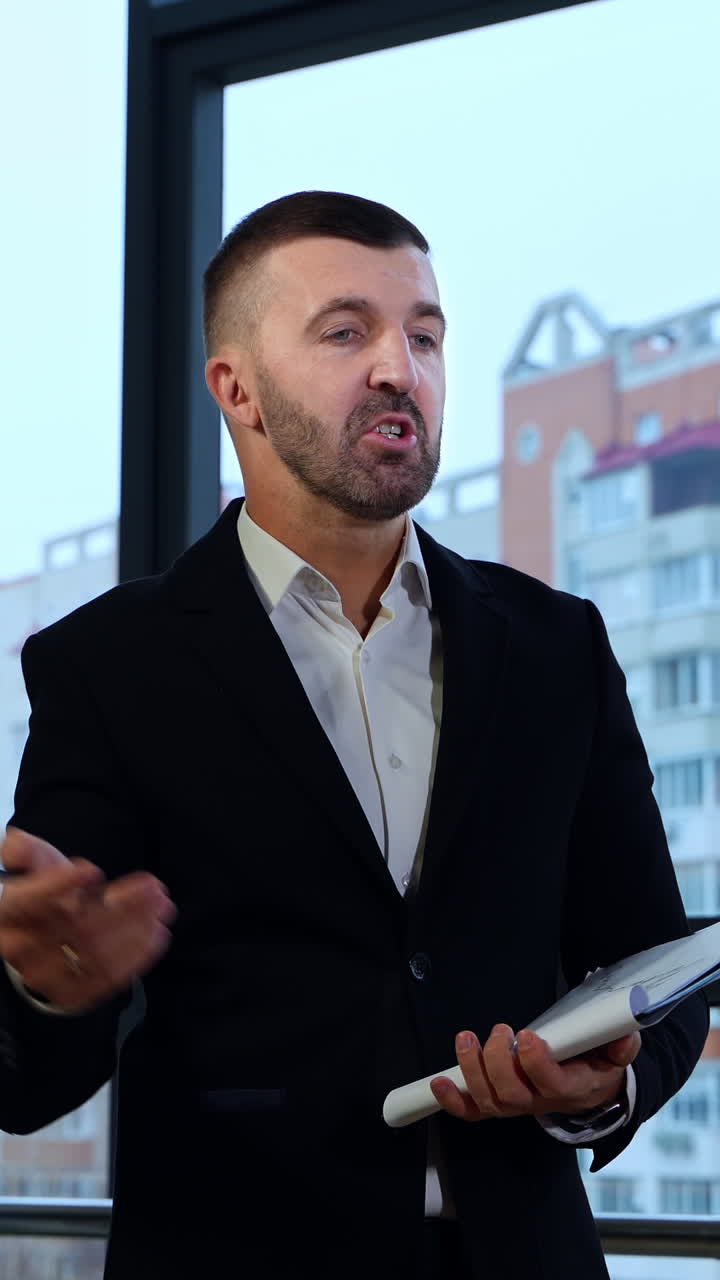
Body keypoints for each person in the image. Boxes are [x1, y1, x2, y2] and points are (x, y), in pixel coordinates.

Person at [0, 191, 707, 1280]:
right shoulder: (106, 665)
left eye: (424, 334)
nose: (399, 367)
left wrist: (602, 1086)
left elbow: (655, 960)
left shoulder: (559, 644)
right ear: (235, 388)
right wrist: (45, 985)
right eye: (347, 331)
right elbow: (32, 1075)